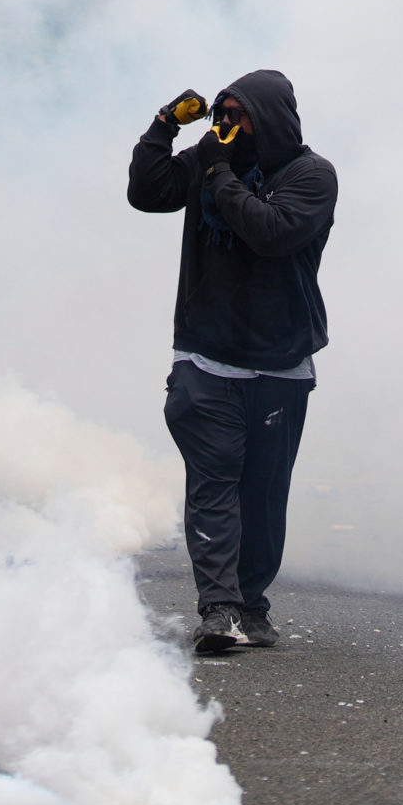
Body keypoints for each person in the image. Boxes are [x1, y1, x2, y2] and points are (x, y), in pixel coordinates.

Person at [127, 70, 337, 654]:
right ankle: (219, 610)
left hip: (279, 364)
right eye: (219, 115)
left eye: (237, 117)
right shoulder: (208, 157)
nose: (225, 128)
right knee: (214, 483)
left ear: (269, 120)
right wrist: (164, 126)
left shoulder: (311, 177)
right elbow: (148, 193)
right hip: (205, 357)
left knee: (263, 494)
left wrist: (219, 175)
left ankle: (251, 603)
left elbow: (269, 232)